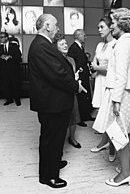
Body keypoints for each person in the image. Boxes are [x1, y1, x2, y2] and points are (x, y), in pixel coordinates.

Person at [28, 14, 86, 188]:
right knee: (51, 139)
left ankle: (52, 163)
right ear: (47, 26)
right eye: (56, 25)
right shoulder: (42, 46)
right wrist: (76, 86)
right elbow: (58, 75)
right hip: (51, 103)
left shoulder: (42, 44)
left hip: (53, 101)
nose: (58, 28)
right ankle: (48, 176)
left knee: (54, 138)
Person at [93, 8, 130, 187]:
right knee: (126, 131)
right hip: (127, 93)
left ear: (121, 23)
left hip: (121, 94)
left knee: (118, 134)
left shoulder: (122, 43)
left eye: (112, 23)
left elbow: (121, 75)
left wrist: (116, 100)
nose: (111, 26)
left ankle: (125, 174)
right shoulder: (129, 42)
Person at [90, 16, 117, 161]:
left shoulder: (116, 44)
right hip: (100, 81)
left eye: (102, 27)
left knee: (111, 116)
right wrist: (97, 68)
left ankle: (112, 147)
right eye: (98, 27)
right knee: (102, 113)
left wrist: (97, 68)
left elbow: (113, 69)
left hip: (110, 82)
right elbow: (94, 61)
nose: (99, 30)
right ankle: (104, 142)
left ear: (110, 27)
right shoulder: (100, 45)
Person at [53, 34, 82, 148]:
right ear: (56, 46)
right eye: (62, 44)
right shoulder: (55, 60)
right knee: (60, 119)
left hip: (72, 92)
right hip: (60, 93)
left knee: (73, 116)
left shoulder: (71, 60)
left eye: (66, 43)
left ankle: (72, 138)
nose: (65, 46)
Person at [68, 29, 95, 127]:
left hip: (84, 76)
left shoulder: (80, 47)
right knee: (80, 97)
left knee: (85, 96)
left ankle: (86, 115)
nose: (85, 37)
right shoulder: (73, 48)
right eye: (84, 35)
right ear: (78, 36)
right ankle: (80, 119)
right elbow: (71, 63)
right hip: (79, 77)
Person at [0, 32, 22, 106]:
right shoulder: (0, 47)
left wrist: (10, 57)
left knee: (15, 84)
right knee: (6, 85)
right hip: (4, 70)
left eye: (2, 37)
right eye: (0, 37)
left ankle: (17, 100)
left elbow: (19, 56)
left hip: (13, 69)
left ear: (6, 38)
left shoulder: (14, 45)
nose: (1, 39)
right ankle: (9, 100)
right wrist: (1, 57)